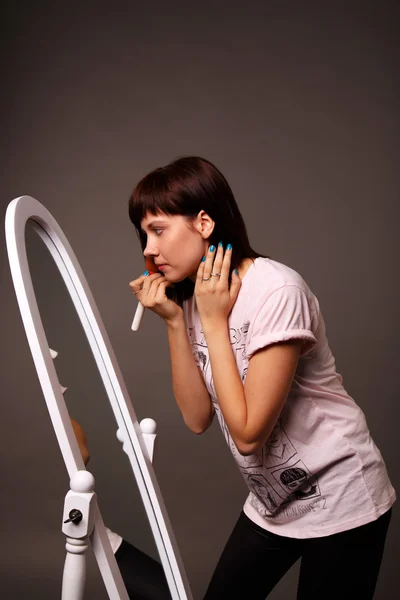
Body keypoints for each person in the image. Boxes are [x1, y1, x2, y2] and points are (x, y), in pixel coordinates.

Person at [127, 156, 395, 600]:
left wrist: (213, 323)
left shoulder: (276, 290)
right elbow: (197, 418)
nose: (148, 250)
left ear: (204, 223)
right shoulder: (196, 296)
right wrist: (176, 323)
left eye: (158, 230)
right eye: (143, 234)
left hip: (343, 497)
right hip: (273, 501)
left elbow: (249, 435)